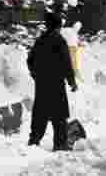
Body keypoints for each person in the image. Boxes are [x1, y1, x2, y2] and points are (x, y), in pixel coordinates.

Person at [26, 10, 78, 150]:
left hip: (42, 85)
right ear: (57, 26)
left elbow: (30, 60)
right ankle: (60, 145)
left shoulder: (40, 40)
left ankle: (34, 141)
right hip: (56, 84)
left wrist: (36, 76)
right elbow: (66, 63)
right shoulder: (60, 41)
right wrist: (72, 82)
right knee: (59, 116)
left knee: (40, 114)